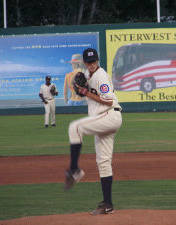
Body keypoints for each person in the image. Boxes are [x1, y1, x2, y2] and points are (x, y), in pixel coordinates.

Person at [64, 48, 122, 215]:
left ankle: (74, 170)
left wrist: (86, 92)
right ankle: (108, 204)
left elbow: (108, 100)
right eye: (89, 62)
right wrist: (83, 90)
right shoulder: (90, 76)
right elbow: (84, 91)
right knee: (103, 163)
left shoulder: (101, 76)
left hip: (109, 116)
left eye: (94, 61)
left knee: (74, 127)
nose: (92, 64)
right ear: (85, 63)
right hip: (104, 119)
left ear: (97, 61)